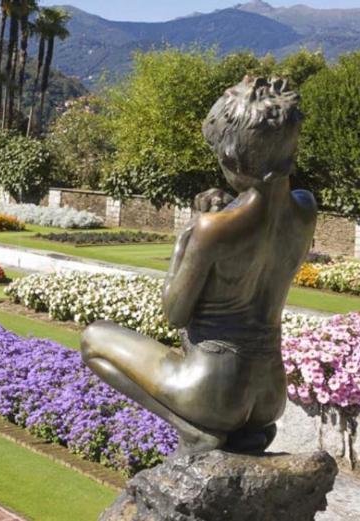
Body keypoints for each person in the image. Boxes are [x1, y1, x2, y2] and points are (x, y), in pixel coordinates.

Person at [81, 76, 318, 455]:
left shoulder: (212, 229)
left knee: (94, 338)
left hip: (213, 393)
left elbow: (175, 313)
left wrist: (188, 235)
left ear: (229, 157)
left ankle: (193, 430)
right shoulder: (305, 209)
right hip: (271, 395)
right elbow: (262, 230)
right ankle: (248, 433)